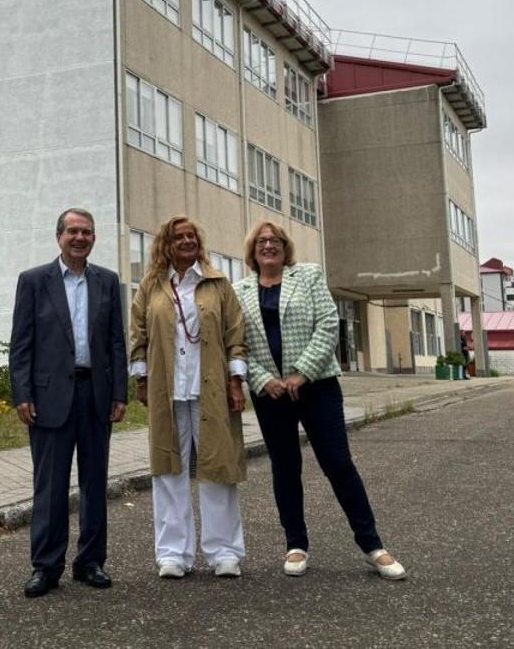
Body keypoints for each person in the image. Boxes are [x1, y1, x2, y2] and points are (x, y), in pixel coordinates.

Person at [235, 220, 406, 580]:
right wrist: (264, 380)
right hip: (271, 394)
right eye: (262, 241)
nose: (269, 245)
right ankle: (296, 544)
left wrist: (302, 372)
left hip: (317, 387)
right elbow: (235, 344)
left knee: (339, 463)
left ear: (285, 247)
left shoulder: (309, 276)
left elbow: (329, 324)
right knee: (285, 468)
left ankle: (372, 545)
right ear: (253, 250)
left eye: (275, 240)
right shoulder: (240, 290)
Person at [9, 208, 128, 598]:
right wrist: (22, 393)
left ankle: (90, 561)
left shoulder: (108, 282)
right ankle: (46, 566)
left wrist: (119, 393)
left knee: (95, 484)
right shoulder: (33, 281)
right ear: (59, 236)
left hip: (95, 394)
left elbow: (115, 343)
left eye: (87, 232)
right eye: (73, 231)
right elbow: (21, 344)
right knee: (50, 486)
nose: (80, 238)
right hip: (48, 398)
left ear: (94, 238)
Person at [129, 215, 249, 579]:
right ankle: (173, 554)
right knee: (167, 471)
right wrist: (142, 379)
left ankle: (224, 551)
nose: (186, 242)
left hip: (209, 389)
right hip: (168, 391)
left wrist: (235, 380)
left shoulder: (217, 283)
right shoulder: (151, 287)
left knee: (217, 470)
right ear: (166, 244)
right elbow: (138, 334)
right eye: (178, 237)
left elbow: (235, 333)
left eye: (191, 236)